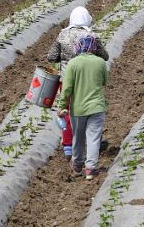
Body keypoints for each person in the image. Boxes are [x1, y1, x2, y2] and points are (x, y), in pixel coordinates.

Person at [47, 6, 109, 157]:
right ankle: (94, 142)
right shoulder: (91, 36)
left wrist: (64, 58)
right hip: (87, 79)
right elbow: (105, 56)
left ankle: (68, 146)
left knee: (66, 110)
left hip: (66, 79)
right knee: (90, 107)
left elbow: (51, 57)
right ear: (87, 18)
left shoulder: (62, 35)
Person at [56, 35, 108, 180]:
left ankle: (78, 165)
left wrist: (61, 107)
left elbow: (66, 89)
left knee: (78, 137)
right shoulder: (100, 62)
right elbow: (104, 81)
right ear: (93, 48)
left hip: (78, 109)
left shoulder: (72, 64)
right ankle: (91, 168)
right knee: (93, 137)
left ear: (79, 47)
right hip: (97, 107)